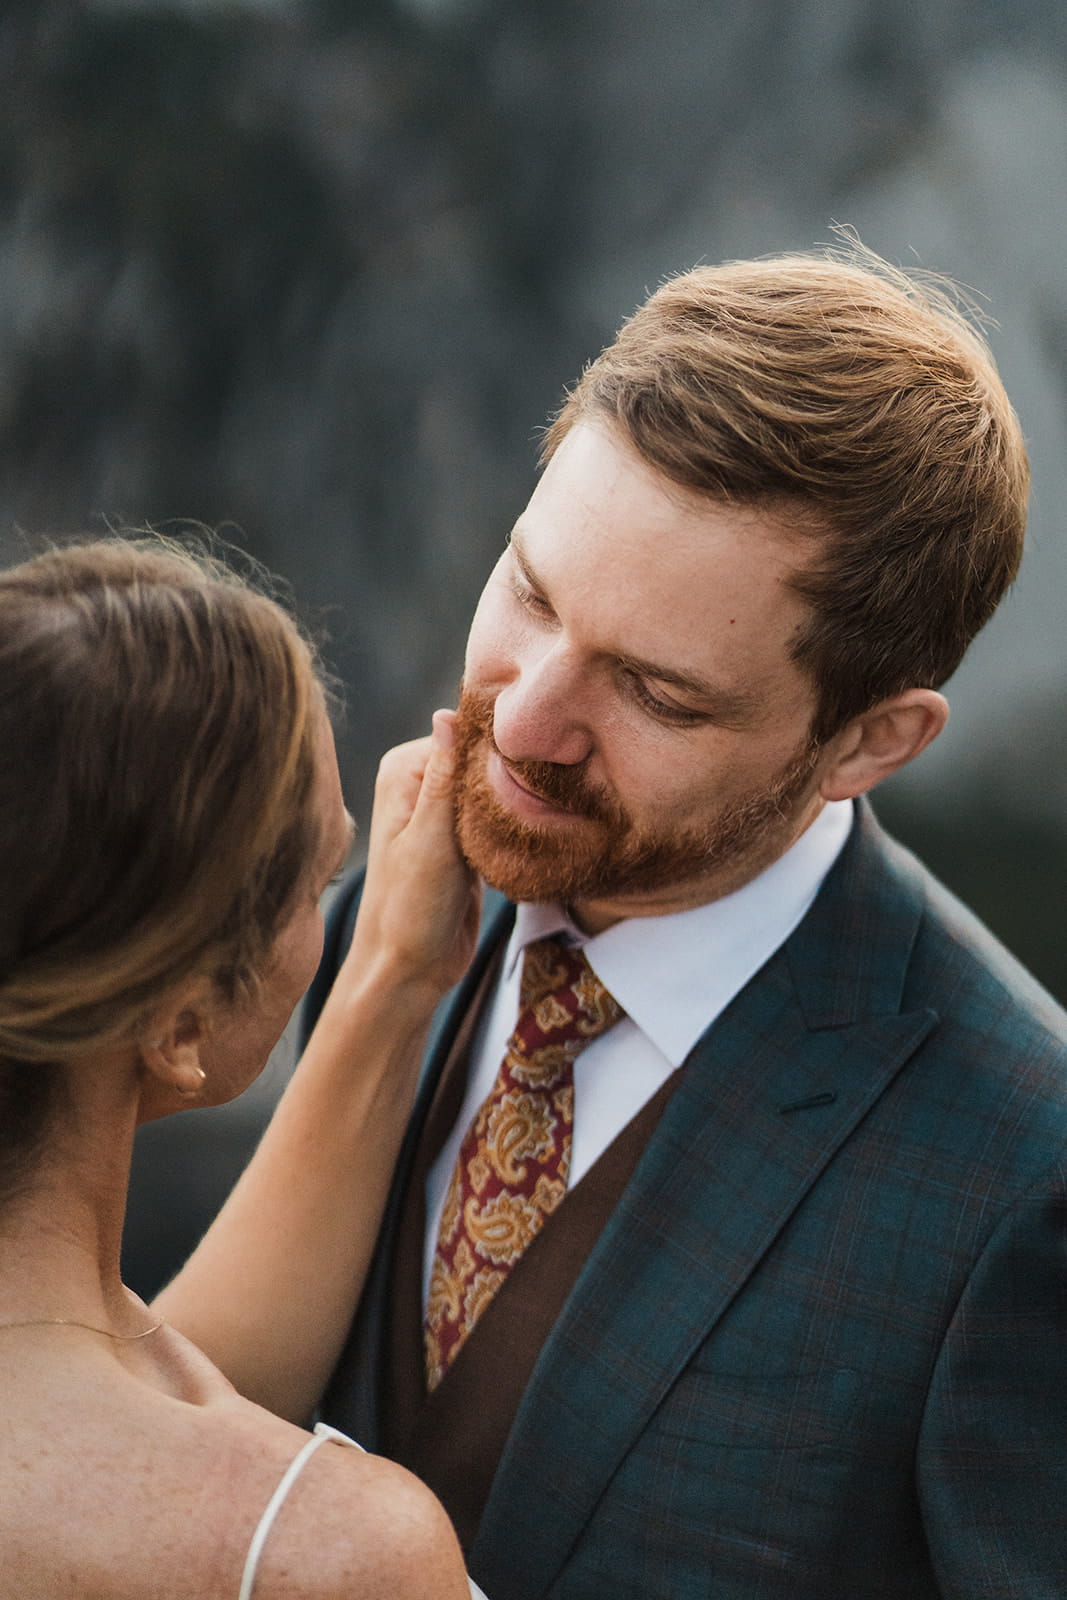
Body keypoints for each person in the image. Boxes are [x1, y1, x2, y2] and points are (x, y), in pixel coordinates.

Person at [275, 244, 1067, 1599]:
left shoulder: (1021, 1174)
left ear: (867, 742)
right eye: (527, 591)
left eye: (657, 693)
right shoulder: (366, 937)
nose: (520, 725)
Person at [0, 537, 488, 1599]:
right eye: (319, 884)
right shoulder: (334, 1552)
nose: (338, 909)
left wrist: (393, 981)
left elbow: (143, 1377)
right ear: (177, 1029)